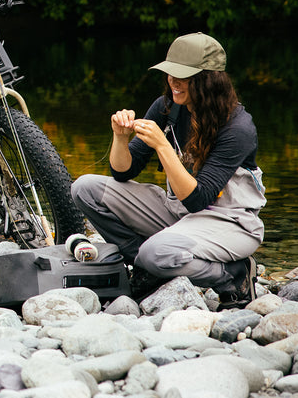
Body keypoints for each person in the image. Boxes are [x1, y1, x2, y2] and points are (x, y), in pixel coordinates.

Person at [71, 33, 265, 308]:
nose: (173, 81)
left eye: (182, 75)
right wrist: (120, 138)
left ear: (208, 80)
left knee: (156, 253)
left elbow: (199, 199)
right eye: (170, 73)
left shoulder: (238, 128)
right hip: (179, 212)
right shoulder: (167, 107)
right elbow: (124, 172)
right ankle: (148, 269)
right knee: (84, 189)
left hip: (229, 222)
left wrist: (162, 145)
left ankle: (233, 275)